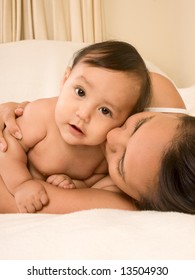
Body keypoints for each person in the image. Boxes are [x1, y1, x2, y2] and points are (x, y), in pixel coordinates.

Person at [0, 40, 152, 213]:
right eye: (80, 92)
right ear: (65, 80)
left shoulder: (103, 156)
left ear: (123, 121)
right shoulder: (40, 114)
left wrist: (72, 184)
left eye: (104, 110)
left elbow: (93, 185)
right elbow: (6, 148)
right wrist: (21, 184)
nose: (84, 114)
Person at [0, 110, 195, 214]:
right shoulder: (153, 90)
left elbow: (17, 202)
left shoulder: (117, 201)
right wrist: (16, 112)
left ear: (140, 200)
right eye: (137, 125)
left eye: (120, 163)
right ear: (175, 114)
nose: (112, 137)